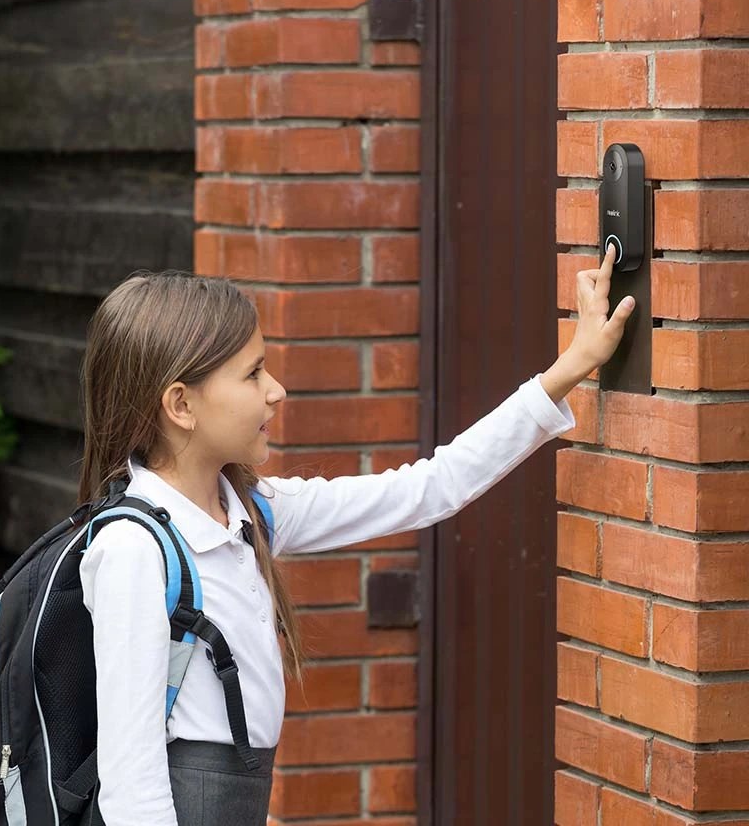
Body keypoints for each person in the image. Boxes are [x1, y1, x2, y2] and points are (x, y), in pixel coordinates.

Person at [77, 244, 633, 825]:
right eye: (252, 373)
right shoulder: (133, 551)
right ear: (181, 405)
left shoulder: (249, 511)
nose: (276, 390)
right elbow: (133, 787)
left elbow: (430, 487)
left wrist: (571, 366)